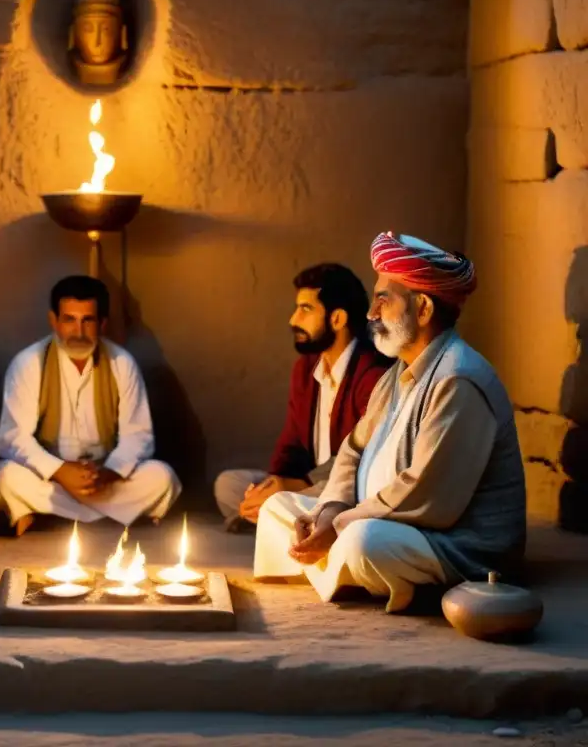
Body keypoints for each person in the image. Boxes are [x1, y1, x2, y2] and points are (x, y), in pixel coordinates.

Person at [253, 232, 526, 613]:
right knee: (278, 508)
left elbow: (426, 496)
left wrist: (337, 526)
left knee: (363, 542)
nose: (371, 313)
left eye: (384, 299)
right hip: (372, 515)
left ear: (424, 309)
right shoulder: (396, 373)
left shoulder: (457, 379)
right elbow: (352, 451)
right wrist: (329, 512)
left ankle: (352, 569)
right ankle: (346, 570)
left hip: (448, 542)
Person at [0, 275, 180, 535]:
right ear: (53, 321)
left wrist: (108, 473)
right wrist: (60, 471)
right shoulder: (29, 363)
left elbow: (139, 436)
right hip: (51, 478)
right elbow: (13, 438)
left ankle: (54, 517)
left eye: (87, 321)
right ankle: (114, 518)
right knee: (4, 476)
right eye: (69, 320)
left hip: (103, 479)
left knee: (161, 477)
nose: (78, 332)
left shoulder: (121, 363)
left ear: (101, 323)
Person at [215, 264, 391, 529]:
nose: (293, 320)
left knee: (329, 498)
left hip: (342, 487)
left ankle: (278, 520)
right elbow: (292, 440)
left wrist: (298, 486)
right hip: (306, 486)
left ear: (337, 319)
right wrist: (274, 483)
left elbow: (360, 456)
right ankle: (278, 518)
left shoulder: (372, 373)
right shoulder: (307, 368)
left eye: (306, 309)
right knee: (229, 485)